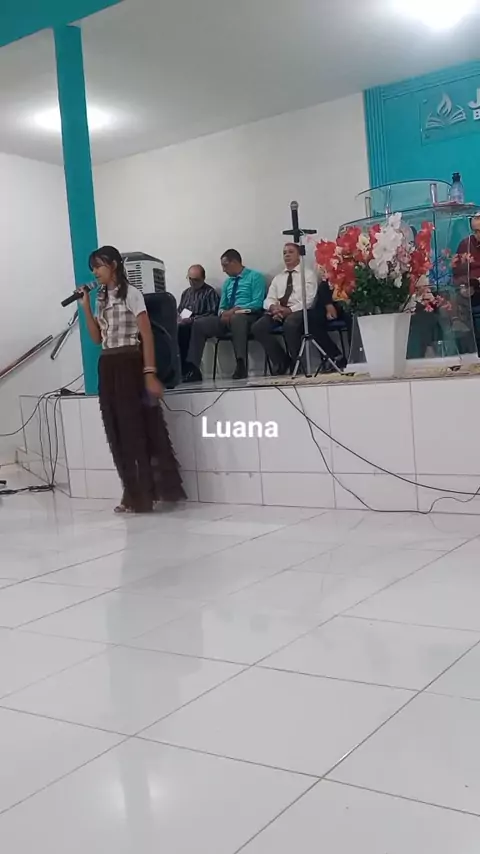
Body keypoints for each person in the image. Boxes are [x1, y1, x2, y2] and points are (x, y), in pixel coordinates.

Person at [78, 245, 186, 513]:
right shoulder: (100, 297)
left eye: (99, 266)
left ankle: (145, 493)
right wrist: (86, 308)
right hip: (108, 365)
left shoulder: (132, 294)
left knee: (136, 430)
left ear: (114, 265)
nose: (95, 272)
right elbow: (97, 338)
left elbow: (146, 335)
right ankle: (130, 490)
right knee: (116, 430)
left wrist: (149, 373)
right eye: (93, 268)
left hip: (129, 363)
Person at [183, 249, 266, 381]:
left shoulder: (255, 277)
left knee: (237, 318)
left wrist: (236, 310)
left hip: (248, 315)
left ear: (234, 262)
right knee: (199, 324)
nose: (223, 270)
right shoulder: (228, 282)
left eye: (225, 265)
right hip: (228, 317)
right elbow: (221, 306)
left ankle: (241, 364)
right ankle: (193, 368)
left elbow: (258, 303)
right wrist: (223, 312)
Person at [252, 243, 318, 374]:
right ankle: (281, 360)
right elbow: (269, 299)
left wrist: (289, 310)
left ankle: (297, 363)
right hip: (279, 311)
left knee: (290, 324)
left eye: (291, 252)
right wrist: (273, 308)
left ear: (299, 255)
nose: (287, 255)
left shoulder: (307, 274)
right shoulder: (278, 278)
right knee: (258, 327)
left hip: (299, 311)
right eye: (284, 253)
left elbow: (309, 301)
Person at [177, 265, 220, 379]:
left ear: (203, 278)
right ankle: (179, 368)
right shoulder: (186, 293)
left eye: (195, 280)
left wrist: (192, 319)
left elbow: (212, 313)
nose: (192, 282)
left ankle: (192, 369)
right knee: (176, 330)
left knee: (188, 330)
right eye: (190, 279)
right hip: (184, 324)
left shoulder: (209, 292)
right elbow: (180, 310)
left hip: (198, 324)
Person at [453, 213, 480, 307]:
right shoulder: (466, 244)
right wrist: (465, 284)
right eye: (475, 231)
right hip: (471, 295)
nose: (477, 235)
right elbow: (457, 274)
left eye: (479, 231)